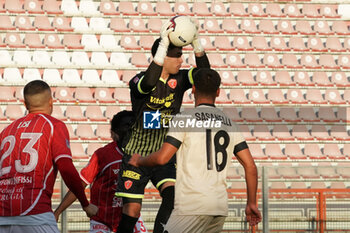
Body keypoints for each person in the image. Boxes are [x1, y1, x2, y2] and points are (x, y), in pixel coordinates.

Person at [129, 68, 262, 233]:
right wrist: (251, 203)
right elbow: (251, 167)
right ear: (218, 92)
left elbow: (163, 158)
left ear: (193, 90)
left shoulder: (184, 119)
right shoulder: (229, 124)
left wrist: (139, 160)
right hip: (219, 208)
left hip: (192, 205)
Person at [115, 18, 210, 233]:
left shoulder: (182, 78)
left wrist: (196, 43)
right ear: (162, 56)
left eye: (181, 54)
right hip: (136, 156)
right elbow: (149, 83)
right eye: (175, 55)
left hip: (163, 155)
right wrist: (164, 43)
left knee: (173, 197)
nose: (180, 59)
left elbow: (206, 76)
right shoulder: (139, 80)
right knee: (131, 214)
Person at [0, 80, 97, 233]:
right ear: (51, 102)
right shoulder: (54, 126)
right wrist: (85, 204)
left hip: (3, 214)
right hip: (35, 212)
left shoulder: (6, 131)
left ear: (25, 105)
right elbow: (66, 168)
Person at [54, 111, 148, 233]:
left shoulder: (144, 154)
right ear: (115, 134)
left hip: (131, 218)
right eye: (126, 127)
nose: (130, 131)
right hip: (102, 221)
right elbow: (80, 184)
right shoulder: (102, 155)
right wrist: (57, 212)